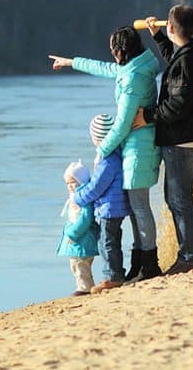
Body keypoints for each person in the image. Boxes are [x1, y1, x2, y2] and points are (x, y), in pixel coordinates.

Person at [49, 26, 162, 282]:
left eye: (113, 48)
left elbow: (122, 124)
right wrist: (70, 62)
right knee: (136, 207)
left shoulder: (133, 78)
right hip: (134, 145)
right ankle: (139, 265)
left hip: (139, 148)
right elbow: (104, 68)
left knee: (140, 207)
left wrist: (101, 150)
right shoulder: (131, 68)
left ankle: (149, 265)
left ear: (123, 50)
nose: (111, 53)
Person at [132, 5, 193, 275]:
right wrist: (157, 35)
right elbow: (174, 62)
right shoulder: (190, 52)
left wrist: (148, 116)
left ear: (173, 27)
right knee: (176, 196)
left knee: (178, 198)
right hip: (191, 137)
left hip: (182, 139)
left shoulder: (187, 58)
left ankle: (191, 255)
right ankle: (190, 253)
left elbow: (177, 103)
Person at [74, 114, 131, 293]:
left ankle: (112, 277)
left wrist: (78, 197)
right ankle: (116, 273)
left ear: (96, 138)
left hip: (110, 208)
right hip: (113, 206)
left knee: (108, 241)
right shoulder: (114, 155)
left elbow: (97, 187)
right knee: (110, 240)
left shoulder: (108, 160)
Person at [56, 160, 99, 296]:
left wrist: (73, 234)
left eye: (73, 182)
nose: (70, 186)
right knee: (78, 264)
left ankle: (84, 288)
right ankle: (87, 285)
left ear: (82, 181)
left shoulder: (83, 198)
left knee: (79, 263)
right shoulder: (75, 197)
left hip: (82, 239)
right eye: (67, 183)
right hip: (80, 239)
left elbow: (85, 219)